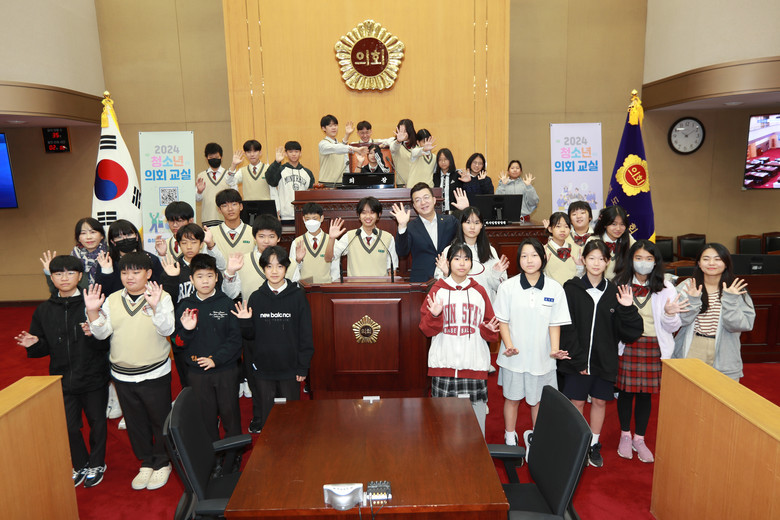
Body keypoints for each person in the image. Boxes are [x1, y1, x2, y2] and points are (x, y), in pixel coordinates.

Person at [16, 255, 110, 488]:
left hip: (93, 375)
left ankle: (97, 463)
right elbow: (44, 346)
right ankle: (80, 463)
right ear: (52, 278)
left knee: (97, 422)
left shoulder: (92, 304)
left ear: (80, 276)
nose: (64, 278)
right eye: (58, 273)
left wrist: (93, 333)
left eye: (70, 273)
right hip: (62, 377)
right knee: (69, 426)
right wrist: (34, 344)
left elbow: (106, 343)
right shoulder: (44, 310)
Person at [85, 252, 175, 491]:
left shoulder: (162, 296)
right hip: (122, 374)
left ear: (149, 273)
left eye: (136, 272)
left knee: (159, 419)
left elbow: (168, 329)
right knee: (135, 421)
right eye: (125, 272)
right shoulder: (113, 299)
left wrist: (155, 307)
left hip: (154, 372)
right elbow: (102, 333)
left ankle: (163, 461)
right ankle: (146, 461)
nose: (130, 277)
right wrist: (93, 312)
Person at [559, 240, 643, 468]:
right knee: (576, 402)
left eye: (601, 259)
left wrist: (627, 308)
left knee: (599, 401)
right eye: (591, 258)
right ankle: (576, 443)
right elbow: (566, 327)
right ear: (583, 260)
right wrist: (578, 360)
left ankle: (594, 444)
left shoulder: (615, 292)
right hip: (577, 359)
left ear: (608, 262)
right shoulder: (571, 288)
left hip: (604, 360)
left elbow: (631, 333)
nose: (596, 263)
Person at [493, 238, 571, 460]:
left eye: (534, 255)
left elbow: (554, 323)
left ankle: (537, 438)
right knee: (512, 398)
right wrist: (509, 346)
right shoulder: (507, 287)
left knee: (537, 401)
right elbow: (503, 321)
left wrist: (554, 349)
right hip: (514, 356)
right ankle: (510, 437)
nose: (529, 260)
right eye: (524, 256)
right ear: (519, 259)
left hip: (541, 357)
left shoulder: (555, 288)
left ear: (543, 258)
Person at [613, 240, 687, 463]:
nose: (643, 263)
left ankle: (639, 438)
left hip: (654, 346)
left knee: (645, 395)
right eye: (638, 258)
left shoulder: (666, 287)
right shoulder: (620, 283)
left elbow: (673, 327)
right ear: (631, 260)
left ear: (655, 262)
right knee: (625, 393)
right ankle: (625, 435)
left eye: (648, 259)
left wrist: (669, 314)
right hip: (628, 346)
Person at [419, 243, 501, 435]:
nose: (462, 263)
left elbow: (492, 332)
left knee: (474, 428)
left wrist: (488, 329)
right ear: (448, 262)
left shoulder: (479, 291)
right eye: (457, 258)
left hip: (473, 365)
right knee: (444, 425)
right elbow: (426, 329)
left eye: (466, 259)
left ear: (471, 264)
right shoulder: (437, 290)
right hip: (444, 365)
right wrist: (436, 315)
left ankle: (476, 453)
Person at [232, 246, 314, 433]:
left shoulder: (298, 297)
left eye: (279, 266)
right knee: (268, 419)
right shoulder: (256, 298)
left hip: (290, 369)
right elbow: (250, 336)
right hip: (264, 370)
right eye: (269, 266)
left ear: (286, 268)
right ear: (263, 269)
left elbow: (305, 334)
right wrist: (244, 322)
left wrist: (303, 366)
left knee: (291, 417)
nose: (274, 271)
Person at [160, 223, 241, 387]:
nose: (189, 247)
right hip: (184, 329)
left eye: (194, 242)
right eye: (184, 242)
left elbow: (224, 294)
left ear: (201, 243)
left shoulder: (210, 265)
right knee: (188, 379)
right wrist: (172, 279)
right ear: (178, 244)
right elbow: (167, 301)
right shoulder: (173, 268)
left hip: (212, 327)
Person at [173, 254, 242, 445]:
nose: (205, 281)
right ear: (191, 279)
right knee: (205, 416)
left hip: (225, 370)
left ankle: (234, 452)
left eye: (210, 276)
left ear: (217, 277)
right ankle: (212, 452)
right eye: (200, 276)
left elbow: (235, 340)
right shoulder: (185, 306)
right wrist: (187, 331)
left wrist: (215, 359)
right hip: (197, 372)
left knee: (230, 413)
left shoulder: (226, 303)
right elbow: (177, 343)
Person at [673, 243, 755, 381]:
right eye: (706, 259)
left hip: (725, 349)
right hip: (693, 345)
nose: (711, 263)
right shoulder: (688, 286)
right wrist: (693, 300)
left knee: (722, 392)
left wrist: (730, 301)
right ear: (699, 263)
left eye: (717, 259)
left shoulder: (735, 289)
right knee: (688, 391)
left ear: (726, 263)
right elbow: (680, 321)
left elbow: (741, 325)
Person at [392, 182, 468, 283]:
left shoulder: (450, 221)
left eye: (426, 197)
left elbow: (469, 234)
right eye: (418, 200)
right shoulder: (410, 227)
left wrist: (466, 211)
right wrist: (402, 226)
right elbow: (402, 252)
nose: (423, 202)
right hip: (422, 282)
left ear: (434, 200)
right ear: (414, 206)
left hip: (450, 279)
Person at [433, 206, 509, 301]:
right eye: (468, 222)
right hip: (458, 303)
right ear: (461, 224)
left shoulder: (490, 251)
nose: (472, 227)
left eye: (476, 223)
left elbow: (500, 287)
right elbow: (439, 285)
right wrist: (446, 274)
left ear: (481, 225)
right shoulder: (449, 250)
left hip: (484, 304)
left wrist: (496, 274)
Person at [326, 196, 399, 280]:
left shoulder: (388, 237)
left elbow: (392, 269)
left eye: (372, 212)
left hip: (380, 287)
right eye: (364, 213)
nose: (368, 216)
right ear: (359, 215)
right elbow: (328, 258)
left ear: (379, 215)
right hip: (355, 287)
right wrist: (331, 239)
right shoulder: (349, 236)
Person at [94, 219, 163, 296]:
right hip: (115, 302)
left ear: (136, 236)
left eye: (129, 235)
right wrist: (107, 272)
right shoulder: (106, 260)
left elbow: (160, 287)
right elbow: (100, 293)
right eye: (119, 237)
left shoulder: (151, 259)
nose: (125, 239)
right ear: (113, 242)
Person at [41, 217, 107, 293]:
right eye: (83, 233)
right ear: (78, 238)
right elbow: (56, 291)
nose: (88, 237)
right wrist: (49, 272)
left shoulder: (111, 254)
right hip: (79, 299)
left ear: (102, 235)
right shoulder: (71, 260)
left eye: (93, 232)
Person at [266, 141, 315, 221]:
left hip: (304, 215)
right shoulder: (280, 170)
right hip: (285, 215)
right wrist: (276, 162)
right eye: (291, 152)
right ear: (286, 154)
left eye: (296, 151)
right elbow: (271, 181)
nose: (294, 154)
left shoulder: (307, 173)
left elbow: (311, 194)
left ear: (300, 153)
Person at [195, 142, 237, 227]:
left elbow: (236, 195)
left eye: (217, 157)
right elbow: (197, 199)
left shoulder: (229, 175)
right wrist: (199, 191)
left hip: (226, 219)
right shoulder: (201, 176)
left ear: (221, 157)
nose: (214, 159)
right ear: (206, 158)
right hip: (208, 220)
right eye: (211, 157)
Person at [289, 202, 332, 283]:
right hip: (304, 287)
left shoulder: (331, 240)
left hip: (327, 286)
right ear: (303, 219)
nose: (311, 222)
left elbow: (335, 268)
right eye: (308, 219)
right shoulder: (297, 242)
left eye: (315, 219)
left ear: (322, 218)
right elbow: (292, 271)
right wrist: (298, 260)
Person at [589, 205, 634, 280]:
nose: (618, 228)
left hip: (622, 283)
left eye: (622, 224)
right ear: (605, 224)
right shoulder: (593, 240)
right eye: (614, 224)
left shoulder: (628, 239)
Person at [209, 189, 255, 260]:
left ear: (241, 206)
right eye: (225, 206)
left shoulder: (253, 232)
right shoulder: (211, 233)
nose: (230, 209)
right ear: (219, 210)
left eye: (234, 204)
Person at [390, 119, 433, 188]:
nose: (402, 134)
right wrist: (398, 141)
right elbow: (393, 148)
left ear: (410, 131)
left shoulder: (417, 145)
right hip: (402, 184)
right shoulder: (396, 144)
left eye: (405, 131)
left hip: (417, 185)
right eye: (400, 131)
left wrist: (424, 149)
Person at [318, 115, 358, 187]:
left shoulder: (340, 145)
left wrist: (347, 135)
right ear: (323, 128)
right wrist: (355, 149)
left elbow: (341, 149)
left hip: (341, 183)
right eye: (330, 126)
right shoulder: (323, 144)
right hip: (327, 184)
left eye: (335, 125)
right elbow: (336, 148)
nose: (334, 128)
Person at [543, 212, 582, 286]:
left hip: (572, 289)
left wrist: (581, 267)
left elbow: (579, 274)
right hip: (552, 290)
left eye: (566, 226)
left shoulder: (576, 249)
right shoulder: (544, 250)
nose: (563, 230)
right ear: (550, 229)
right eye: (558, 226)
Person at [432, 148, 462, 213]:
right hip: (438, 212)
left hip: (454, 212)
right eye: (440, 160)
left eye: (445, 159)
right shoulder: (434, 177)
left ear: (450, 160)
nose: (443, 162)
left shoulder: (457, 175)